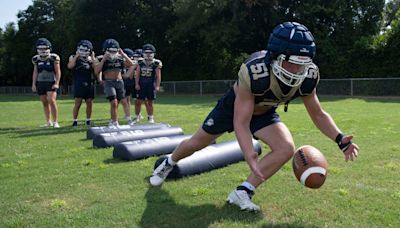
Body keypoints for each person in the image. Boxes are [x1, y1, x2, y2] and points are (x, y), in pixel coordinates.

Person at [149, 22, 359, 212]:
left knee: (285, 148)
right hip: (233, 109)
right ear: (276, 56)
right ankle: (168, 162)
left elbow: (318, 114)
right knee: (197, 143)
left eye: (303, 63)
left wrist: (340, 139)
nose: (298, 70)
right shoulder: (255, 71)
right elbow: (240, 121)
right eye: (292, 62)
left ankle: (243, 191)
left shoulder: (308, 76)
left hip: (264, 112)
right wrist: (249, 153)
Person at [94, 39, 134, 126]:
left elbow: (131, 64)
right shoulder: (100, 58)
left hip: (119, 82)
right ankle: (115, 121)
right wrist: (104, 59)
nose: (112, 53)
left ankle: (128, 119)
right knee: (114, 102)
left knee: (124, 101)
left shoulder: (119, 57)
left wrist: (123, 55)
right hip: (109, 82)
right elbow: (96, 71)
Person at [31, 38, 61, 128]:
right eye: (41, 49)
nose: (43, 50)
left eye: (44, 48)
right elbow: (35, 72)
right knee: (44, 102)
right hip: (40, 82)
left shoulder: (53, 58)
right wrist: (33, 84)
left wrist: (57, 83)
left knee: (51, 100)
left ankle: (55, 122)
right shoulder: (36, 59)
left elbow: (58, 71)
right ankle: (48, 121)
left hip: (51, 81)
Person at [67, 40, 96, 127]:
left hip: (89, 83)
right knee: (78, 103)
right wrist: (76, 56)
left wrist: (93, 58)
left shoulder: (90, 60)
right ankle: (75, 121)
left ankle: (88, 120)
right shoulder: (73, 57)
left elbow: (96, 70)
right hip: (79, 83)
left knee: (89, 102)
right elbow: (70, 66)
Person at [134, 44, 162, 123]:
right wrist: (136, 84)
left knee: (150, 102)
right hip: (142, 83)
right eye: (147, 52)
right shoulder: (140, 62)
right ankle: (137, 116)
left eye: (150, 52)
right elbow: (137, 74)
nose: (148, 54)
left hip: (150, 84)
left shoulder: (156, 63)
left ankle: (150, 117)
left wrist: (157, 86)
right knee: (138, 101)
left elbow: (158, 76)